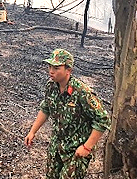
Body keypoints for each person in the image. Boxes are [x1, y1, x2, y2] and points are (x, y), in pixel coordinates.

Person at [24, 49, 111, 179]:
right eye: (50, 67)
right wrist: (32, 131)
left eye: (56, 68)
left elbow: (103, 120)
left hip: (76, 150)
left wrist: (87, 147)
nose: (51, 71)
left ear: (68, 70)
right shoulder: (51, 86)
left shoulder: (82, 92)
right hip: (56, 145)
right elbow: (46, 108)